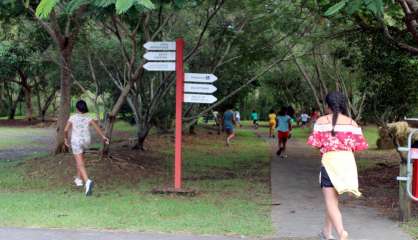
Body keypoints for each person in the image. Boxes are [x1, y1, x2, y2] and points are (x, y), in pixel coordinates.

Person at [307, 91, 368, 240]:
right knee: (333, 201)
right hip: (348, 163)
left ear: (327, 106)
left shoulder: (321, 122)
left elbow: (316, 144)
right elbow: (358, 146)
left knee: (330, 201)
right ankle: (327, 233)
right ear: (342, 105)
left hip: (330, 162)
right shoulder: (352, 123)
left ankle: (341, 232)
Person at [64, 100, 109, 196]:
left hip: (76, 141)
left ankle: (87, 181)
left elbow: (66, 129)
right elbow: (97, 128)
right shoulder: (89, 118)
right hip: (86, 141)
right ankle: (78, 179)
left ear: (77, 108)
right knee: (80, 159)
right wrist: (104, 137)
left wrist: (65, 139)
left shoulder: (72, 117)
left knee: (80, 163)